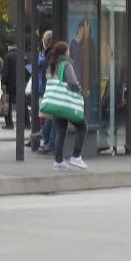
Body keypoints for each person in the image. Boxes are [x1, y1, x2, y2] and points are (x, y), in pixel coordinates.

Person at [46, 40, 90, 171]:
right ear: (65, 52)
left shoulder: (51, 66)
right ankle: (76, 156)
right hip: (66, 103)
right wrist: (81, 91)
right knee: (82, 127)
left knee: (60, 131)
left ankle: (58, 161)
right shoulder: (66, 65)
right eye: (68, 50)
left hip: (55, 102)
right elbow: (72, 82)